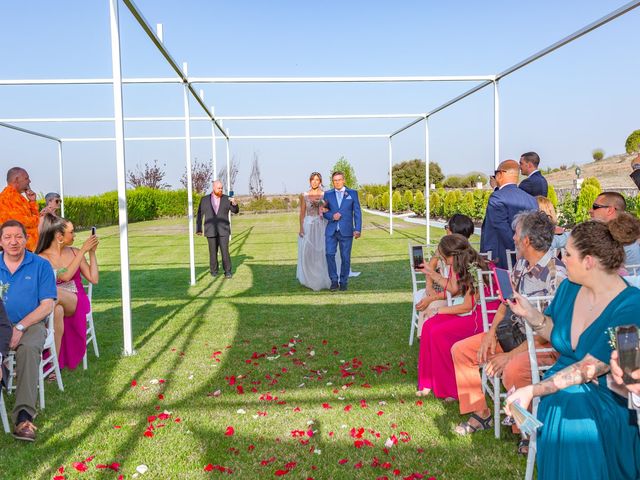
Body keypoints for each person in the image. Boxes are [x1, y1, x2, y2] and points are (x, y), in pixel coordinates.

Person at [505, 215, 640, 480]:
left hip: (608, 398)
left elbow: (597, 368)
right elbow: (555, 332)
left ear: (588, 261)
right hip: (560, 387)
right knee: (563, 402)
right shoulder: (569, 288)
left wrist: (533, 389)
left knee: (569, 406)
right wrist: (531, 315)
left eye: (567, 254)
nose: (561, 258)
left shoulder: (631, 305)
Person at [451, 211, 566, 455]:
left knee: (514, 368)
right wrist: (491, 332)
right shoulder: (522, 264)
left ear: (526, 240)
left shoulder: (557, 275)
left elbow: (548, 332)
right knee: (461, 350)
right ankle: (481, 413)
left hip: (541, 344)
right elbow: (505, 301)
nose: (512, 238)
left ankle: (524, 431)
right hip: (511, 335)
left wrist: (509, 356)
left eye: (516, 233)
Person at [416, 234, 500, 400]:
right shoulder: (464, 265)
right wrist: (430, 272)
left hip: (485, 320)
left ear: (453, 255)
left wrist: (438, 311)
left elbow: (467, 306)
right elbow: (454, 288)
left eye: (444, 257)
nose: (444, 261)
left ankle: (451, 388)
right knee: (429, 325)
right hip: (475, 314)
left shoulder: (474, 269)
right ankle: (427, 382)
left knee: (439, 332)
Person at [0, 220, 57, 442]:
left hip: (31, 324)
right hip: (0, 323)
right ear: (1, 241)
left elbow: (47, 305)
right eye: (7, 237)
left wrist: (20, 327)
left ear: (26, 239)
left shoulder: (39, 265)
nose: (13, 241)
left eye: (18, 236)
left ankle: (24, 416)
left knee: (28, 349)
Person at [35, 214, 99, 369]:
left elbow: (93, 279)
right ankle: (53, 365)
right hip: (55, 303)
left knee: (53, 292)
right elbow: (64, 275)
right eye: (71, 232)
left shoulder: (76, 252)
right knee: (57, 310)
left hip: (76, 300)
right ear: (59, 236)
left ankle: (35, 320)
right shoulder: (41, 258)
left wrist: (90, 252)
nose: (74, 235)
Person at [414, 214, 475, 336]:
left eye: (446, 226)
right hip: (444, 290)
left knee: (430, 305)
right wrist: (429, 287)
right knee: (426, 303)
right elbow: (431, 266)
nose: (446, 229)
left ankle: (428, 337)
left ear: (452, 232)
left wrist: (433, 297)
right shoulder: (443, 249)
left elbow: (456, 290)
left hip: (456, 296)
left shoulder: (464, 257)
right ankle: (425, 338)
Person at [480, 160, 538, 268]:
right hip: (526, 257)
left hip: (500, 258)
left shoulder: (497, 198)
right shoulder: (531, 200)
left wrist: (516, 247)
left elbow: (500, 227)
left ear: (500, 174)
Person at [322, 171, 362, 291]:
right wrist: (332, 216)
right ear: (332, 181)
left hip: (347, 231)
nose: (337, 182)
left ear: (344, 180)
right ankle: (334, 281)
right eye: (335, 180)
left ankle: (343, 281)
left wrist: (358, 228)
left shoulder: (352, 193)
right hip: (331, 231)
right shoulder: (327, 194)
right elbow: (323, 211)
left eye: (339, 180)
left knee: (345, 257)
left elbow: (357, 212)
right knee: (329, 254)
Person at [297, 172, 333, 291]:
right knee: (307, 252)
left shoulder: (325, 194)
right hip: (308, 225)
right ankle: (309, 278)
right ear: (310, 181)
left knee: (322, 251)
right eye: (313, 180)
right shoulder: (304, 195)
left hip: (321, 224)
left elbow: (328, 209)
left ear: (320, 181)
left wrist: (321, 204)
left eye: (317, 180)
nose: (314, 182)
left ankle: (322, 277)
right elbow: (302, 213)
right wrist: (301, 228)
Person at [196, 180, 239, 279]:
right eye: (218, 188)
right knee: (212, 252)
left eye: (221, 188)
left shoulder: (226, 199)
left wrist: (234, 203)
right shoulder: (204, 199)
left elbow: (235, 211)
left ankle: (227, 271)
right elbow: (199, 214)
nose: (220, 190)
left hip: (224, 230)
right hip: (210, 230)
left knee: (225, 251)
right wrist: (199, 228)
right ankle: (214, 271)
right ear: (213, 188)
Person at [589, 191, 640, 266]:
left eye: (595, 207)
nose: (590, 211)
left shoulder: (621, 238)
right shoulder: (626, 234)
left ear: (610, 210)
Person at [0, 167, 40, 251]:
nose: (29, 181)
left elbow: (32, 219)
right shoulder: (8, 198)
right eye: (26, 178)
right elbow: (23, 223)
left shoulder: (18, 197)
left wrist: (32, 201)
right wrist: (41, 220)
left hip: (29, 247)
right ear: (16, 180)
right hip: (20, 249)